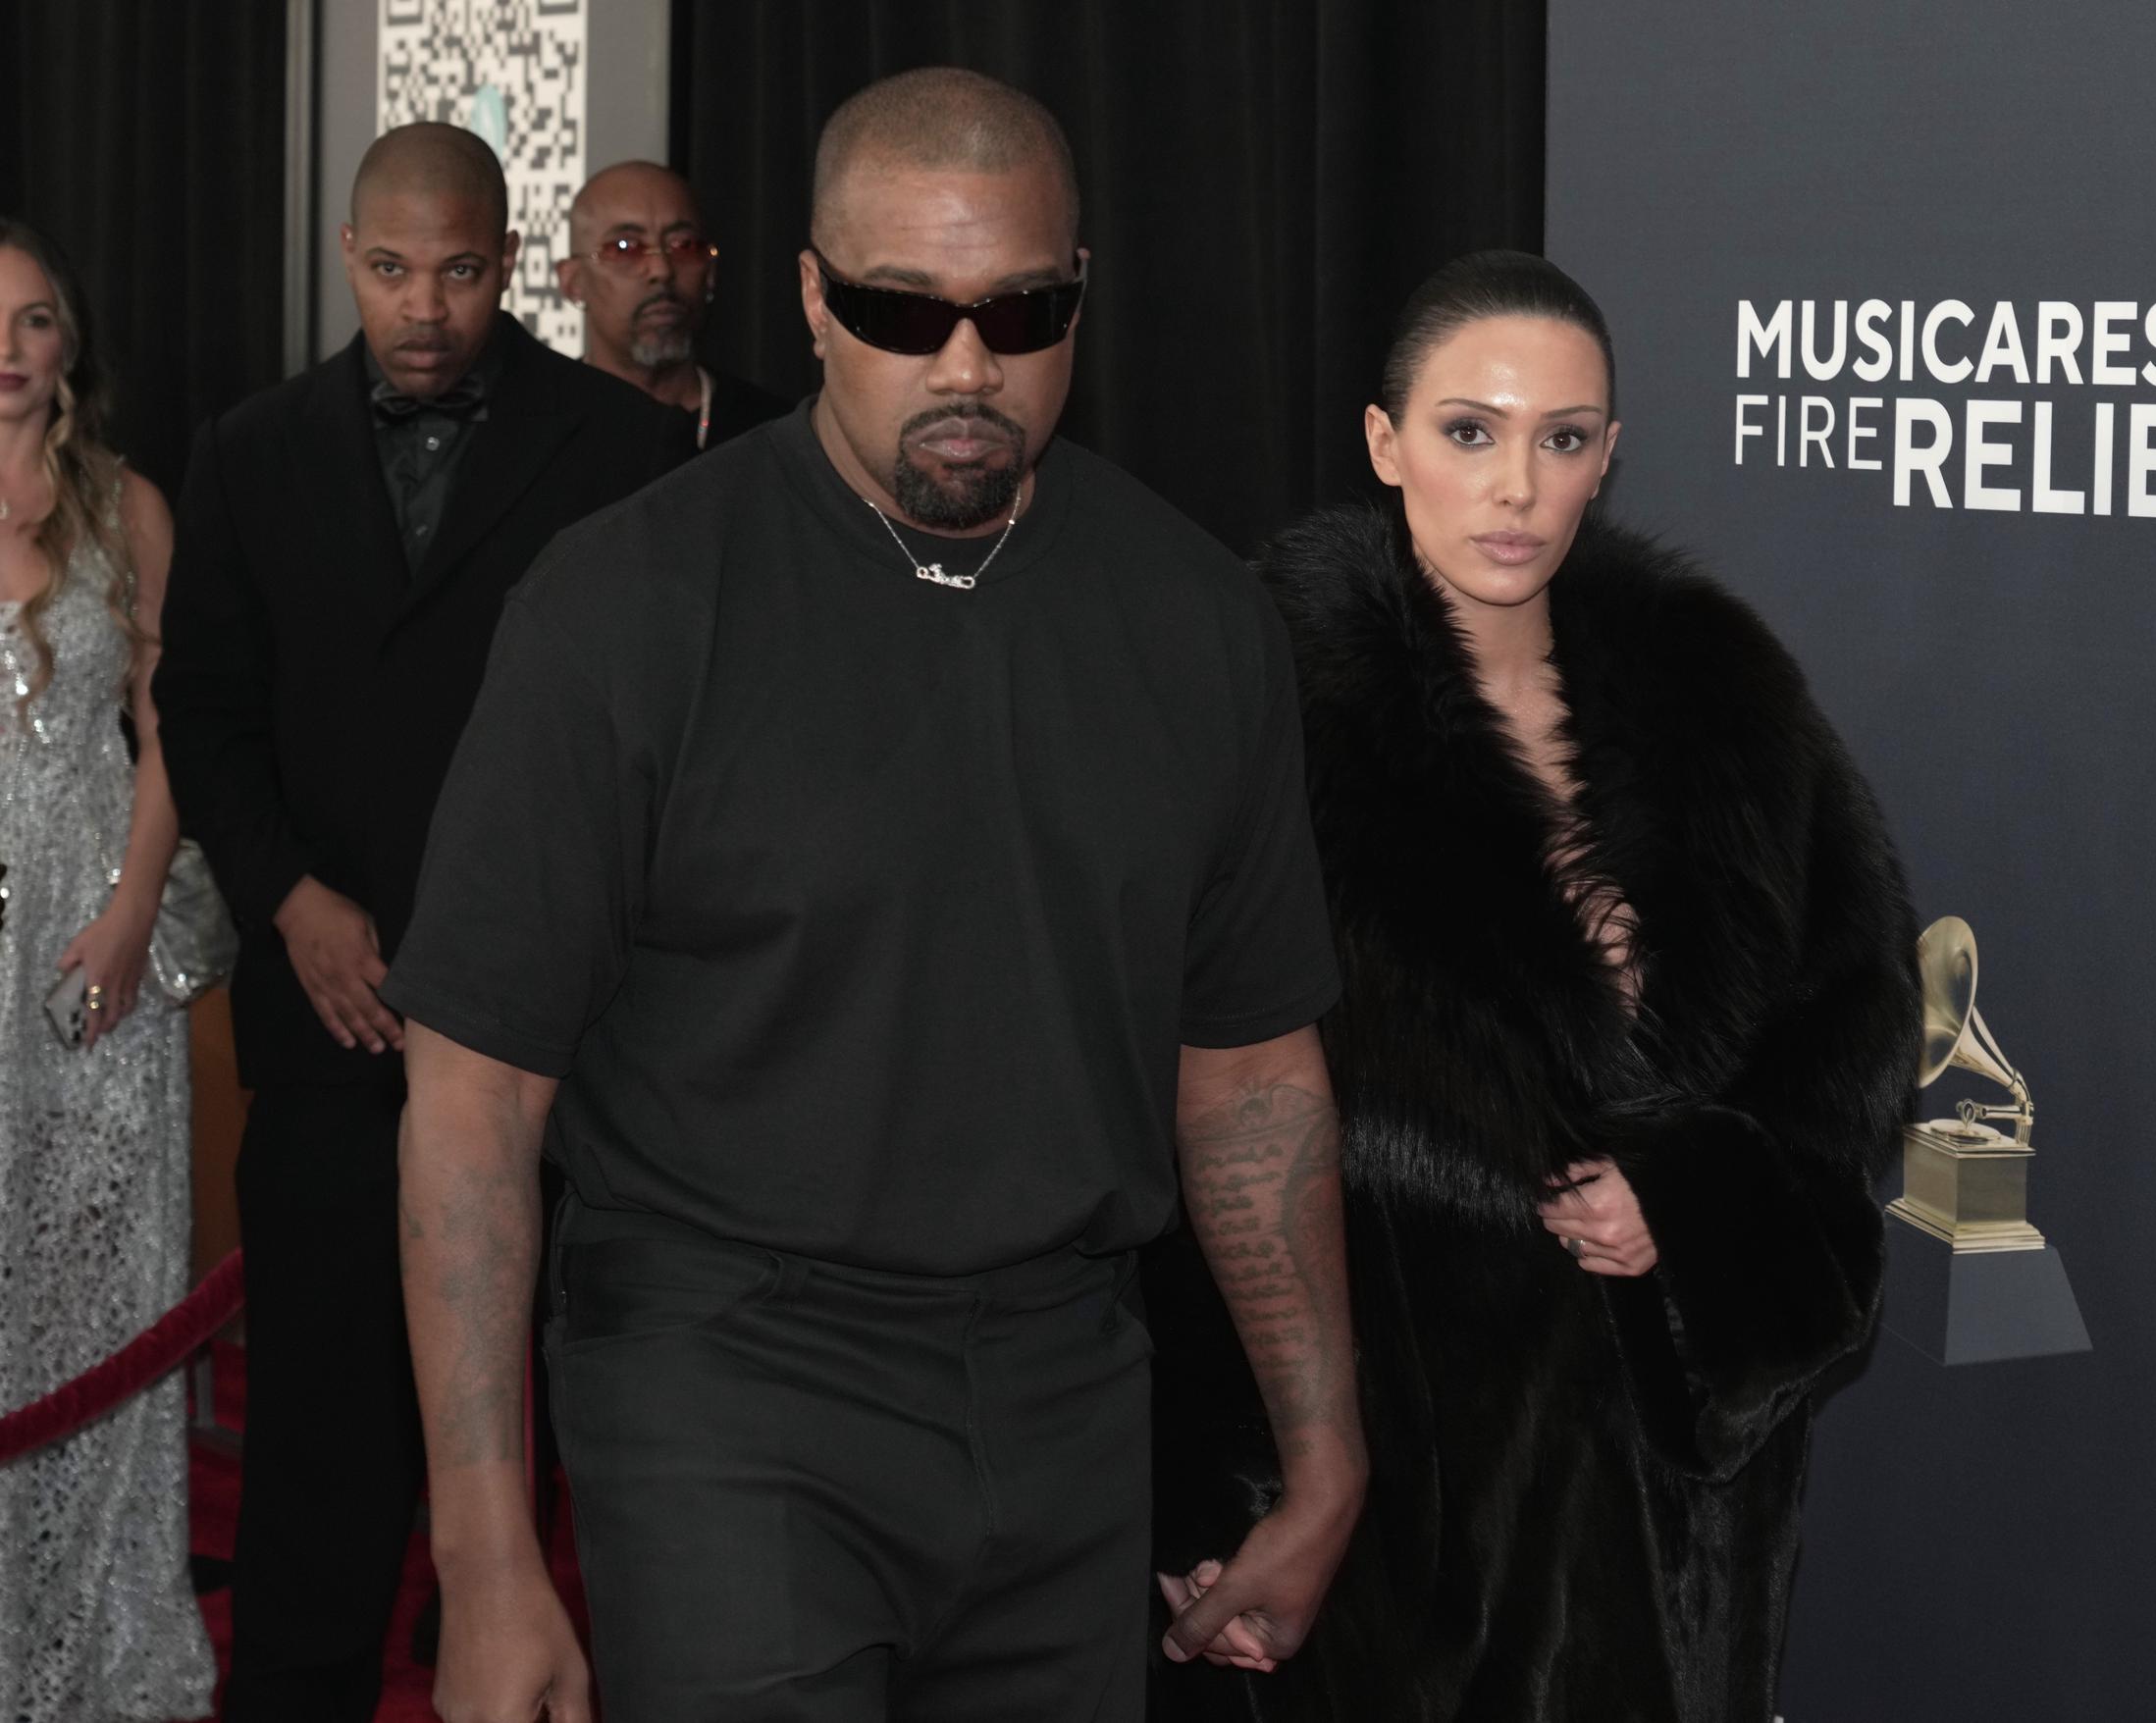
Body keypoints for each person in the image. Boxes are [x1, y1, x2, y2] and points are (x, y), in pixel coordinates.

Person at [384, 67, 1366, 1723]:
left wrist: (1325, 1458)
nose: (967, 367)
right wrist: (487, 1563)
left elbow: (1255, 1071)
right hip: (723, 1378)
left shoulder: (1200, 622)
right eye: (905, 313)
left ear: (1081, 300)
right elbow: (473, 1099)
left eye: (1021, 310)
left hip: (1069, 1386)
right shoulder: (626, 608)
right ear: (812, 302)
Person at [1148, 251, 1922, 1721]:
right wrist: (1206, 1483)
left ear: (1608, 458)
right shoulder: (1256, 715)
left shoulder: (1731, 707)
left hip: (1677, 1520)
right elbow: (1170, 1111)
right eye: (1470, 431)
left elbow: (1848, 1059)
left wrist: (1691, 1203)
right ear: (1386, 444)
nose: (1516, 484)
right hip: (1395, 1518)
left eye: (1561, 439)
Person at [152, 123, 684, 1722]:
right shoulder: (250, 451)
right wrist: (290, 899)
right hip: (331, 1041)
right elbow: (205, 709)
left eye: (459, 270)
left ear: (505, 261)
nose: (426, 306)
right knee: (320, 1485)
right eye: (393, 270)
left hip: (582, 1069)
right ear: (348, 259)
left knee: (617, 1494)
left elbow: (665, 739)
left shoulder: (621, 451)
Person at [0, 216, 216, 1723]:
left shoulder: (126, 507)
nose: (5, 350)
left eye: (29, 320)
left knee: (102, 1294)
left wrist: (137, 907)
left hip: (93, 950)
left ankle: (100, 1658)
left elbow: (177, 728)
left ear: (67, 345)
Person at [557, 160, 789, 450]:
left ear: (711, 273)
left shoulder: (771, 435)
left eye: (685, 246)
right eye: (625, 248)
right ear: (572, 282)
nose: (661, 270)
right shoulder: (535, 433)